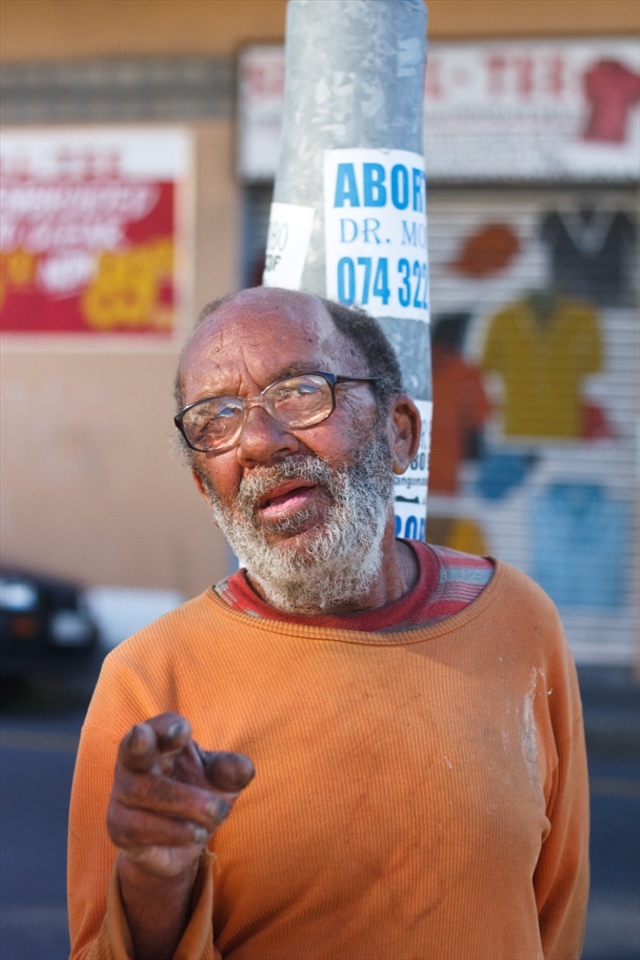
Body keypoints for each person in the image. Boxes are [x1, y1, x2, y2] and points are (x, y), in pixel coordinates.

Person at [68, 287, 589, 960]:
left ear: (398, 432)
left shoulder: (519, 621)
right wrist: (155, 885)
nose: (259, 441)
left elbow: (555, 919)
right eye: (216, 418)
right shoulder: (148, 684)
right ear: (205, 486)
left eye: (299, 393)